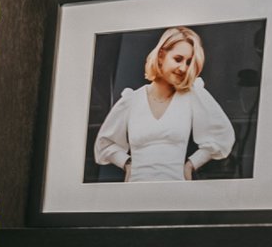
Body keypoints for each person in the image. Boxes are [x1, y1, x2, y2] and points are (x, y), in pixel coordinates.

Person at [93, 25, 236, 182]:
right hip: (136, 191)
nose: (183, 68)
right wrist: (127, 164)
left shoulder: (192, 96)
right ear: (161, 56)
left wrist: (190, 165)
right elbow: (105, 144)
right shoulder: (132, 99)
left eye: (189, 63)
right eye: (178, 59)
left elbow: (221, 137)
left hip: (177, 191)